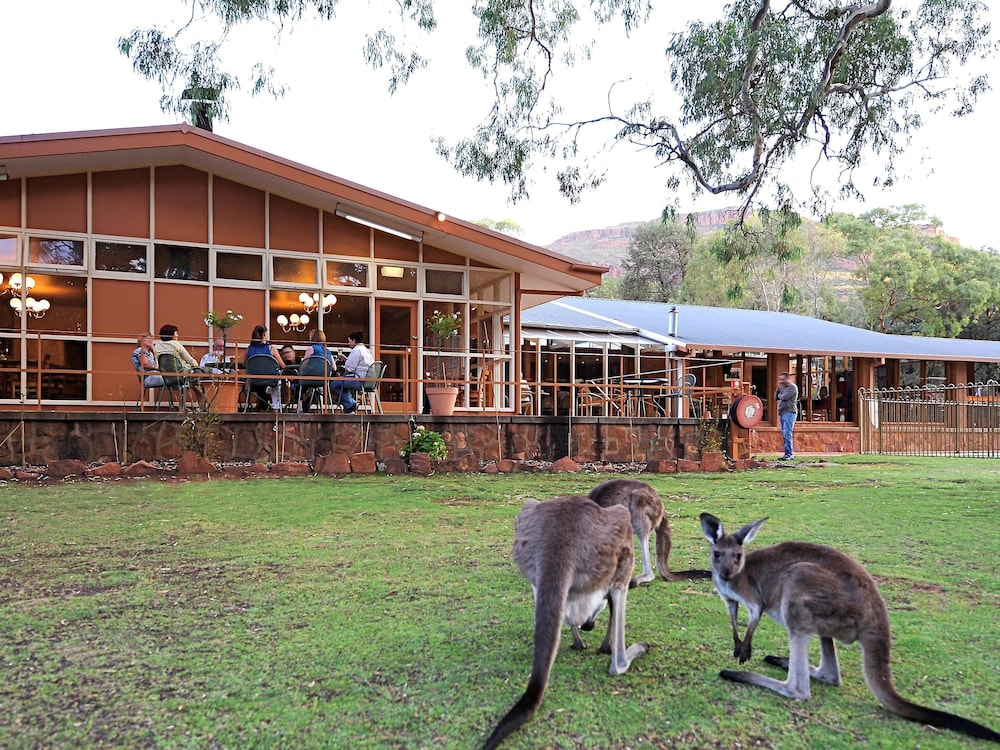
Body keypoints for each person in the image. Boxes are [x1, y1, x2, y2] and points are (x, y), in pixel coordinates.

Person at [153, 324, 206, 406]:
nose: (177, 335)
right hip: (182, 373)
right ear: (172, 335)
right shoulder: (175, 344)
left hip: (167, 377)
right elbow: (189, 359)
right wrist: (196, 366)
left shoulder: (157, 346)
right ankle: (202, 402)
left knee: (190, 380)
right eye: (176, 333)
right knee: (202, 373)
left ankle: (187, 403)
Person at [331, 330, 374, 414]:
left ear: (354, 341)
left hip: (359, 380)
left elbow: (349, 369)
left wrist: (344, 365)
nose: (348, 343)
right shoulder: (366, 350)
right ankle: (349, 406)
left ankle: (350, 404)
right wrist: (346, 359)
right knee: (342, 383)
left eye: (349, 341)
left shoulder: (356, 350)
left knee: (334, 384)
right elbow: (360, 364)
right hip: (369, 380)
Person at [245, 325, 284, 410]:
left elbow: (246, 364)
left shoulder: (249, 350)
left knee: (263, 383)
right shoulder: (271, 349)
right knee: (279, 381)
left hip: (254, 381)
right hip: (271, 380)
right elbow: (282, 365)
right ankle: (276, 406)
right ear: (264, 335)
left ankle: (263, 404)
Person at [775, 371, 799, 460]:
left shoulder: (792, 387)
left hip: (790, 413)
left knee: (787, 433)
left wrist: (780, 393)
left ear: (787, 379)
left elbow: (784, 397)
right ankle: (786, 454)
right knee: (784, 434)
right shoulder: (782, 388)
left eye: (782, 379)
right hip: (782, 413)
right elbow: (776, 397)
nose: (780, 381)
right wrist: (778, 389)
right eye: (780, 379)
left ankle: (790, 454)